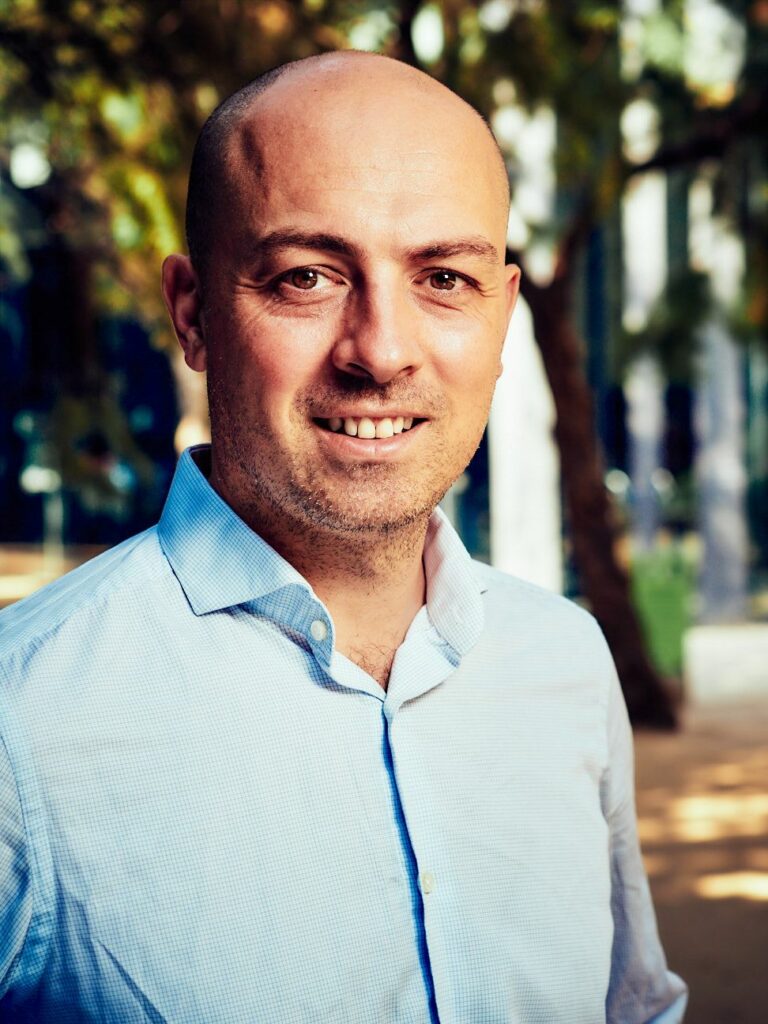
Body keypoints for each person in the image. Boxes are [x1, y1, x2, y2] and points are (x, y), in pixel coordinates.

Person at [0, 51, 686, 1023]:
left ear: (500, 311)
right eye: (309, 276)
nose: (382, 350)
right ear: (193, 314)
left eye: (443, 277)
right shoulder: (21, 723)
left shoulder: (565, 659)